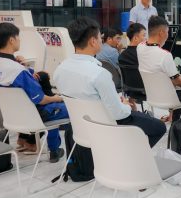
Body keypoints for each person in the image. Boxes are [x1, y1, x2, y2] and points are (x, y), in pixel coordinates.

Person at [54, 17, 166, 147]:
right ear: (93, 41)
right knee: (159, 127)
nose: (101, 41)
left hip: (80, 130)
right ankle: (133, 155)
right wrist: (126, 106)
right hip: (106, 127)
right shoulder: (99, 74)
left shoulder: (60, 70)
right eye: (100, 38)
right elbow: (118, 113)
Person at [0, 22, 68, 162]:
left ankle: (45, 146)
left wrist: (23, 67)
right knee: (67, 109)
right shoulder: (17, 71)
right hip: (33, 116)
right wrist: (59, 98)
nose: (20, 40)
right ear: (12, 40)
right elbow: (41, 99)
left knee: (52, 106)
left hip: (11, 115)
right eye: (18, 37)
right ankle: (55, 150)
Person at [137, 16, 181, 121]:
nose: (167, 35)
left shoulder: (140, 47)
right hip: (170, 98)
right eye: (167, 32)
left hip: (151, 95)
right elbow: (178, 82)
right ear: (161, 33)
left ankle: (171, 117)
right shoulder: (165, 55)